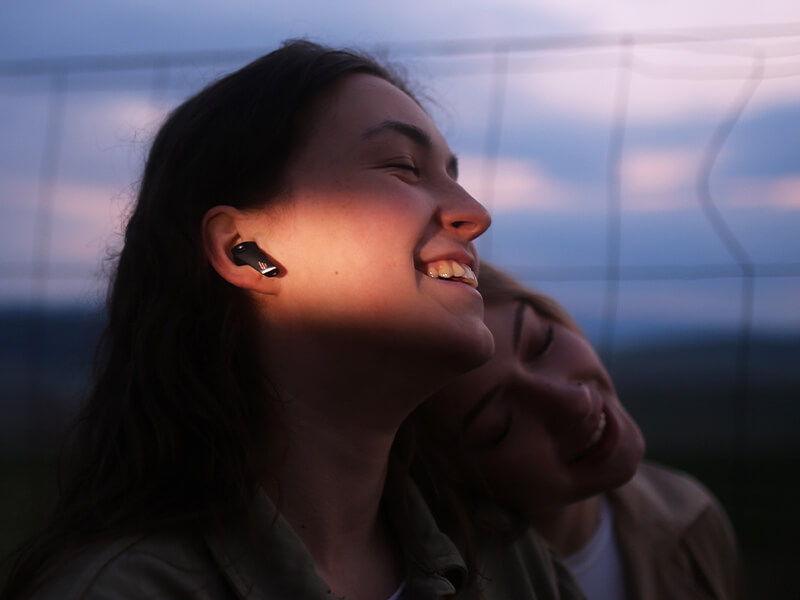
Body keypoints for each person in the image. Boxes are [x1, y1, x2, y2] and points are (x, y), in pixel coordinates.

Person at [0, 41, 574, 600]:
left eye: (452, 173)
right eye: (403, 167)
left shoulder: (512, 566)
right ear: (245, 249)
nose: (475, 213)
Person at [412, 263, 742, 600]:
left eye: (543, 343)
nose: (576, 401)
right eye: (501, 424)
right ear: (448, 477)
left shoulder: (690, 520)